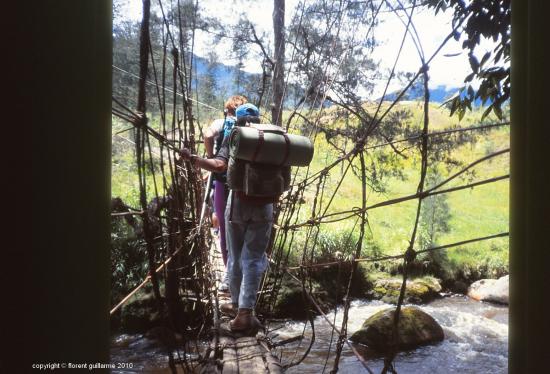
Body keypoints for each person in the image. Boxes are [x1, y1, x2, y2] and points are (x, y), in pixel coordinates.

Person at [180, 103, 274, 334]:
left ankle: (236, 306)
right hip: (265, 206)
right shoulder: (272, 138)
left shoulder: (234, 136)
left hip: (239, 203)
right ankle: (246, 311)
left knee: (235, 256)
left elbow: (219, 165)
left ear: (237, 119)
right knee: (253, 258)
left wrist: (193, 159)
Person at [202, 95, 248, 291]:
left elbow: (207, 135)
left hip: (222, 182)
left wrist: (211, 157)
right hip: (244, 185)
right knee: (243, 229)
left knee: (223, 228)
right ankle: (244, 274)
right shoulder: (249, 128)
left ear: (227, 109)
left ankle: (230, 276)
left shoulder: (221, 123)